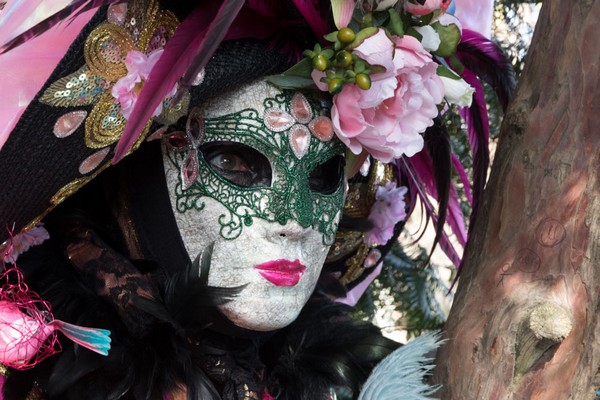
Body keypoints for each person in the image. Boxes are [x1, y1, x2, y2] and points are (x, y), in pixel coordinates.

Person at [0, 1, 513, 399]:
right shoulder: (28, 360)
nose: (293, 222)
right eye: (237, 164)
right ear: (135, 172)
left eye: (323, 173)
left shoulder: (337, 378)